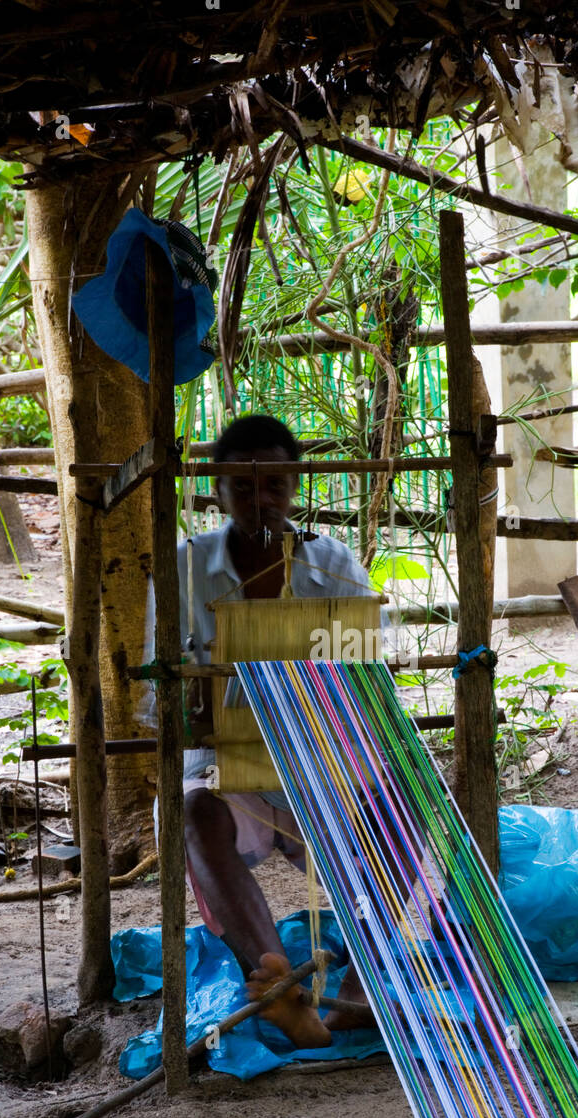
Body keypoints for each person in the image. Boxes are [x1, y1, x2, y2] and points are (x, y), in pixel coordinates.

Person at [179, 413, 379, 1049]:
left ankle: (361, 987)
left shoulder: (332, 562)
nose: (260, 501)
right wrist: (199, 705)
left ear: (294, 487)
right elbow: (157, 698)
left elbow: (367, 674)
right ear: (219, 491)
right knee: (192, 811)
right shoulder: (187, 567)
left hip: (319, 762)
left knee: (398, 813)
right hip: (229, 761)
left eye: (274, 487)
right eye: (243, 488)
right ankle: (282, 987)